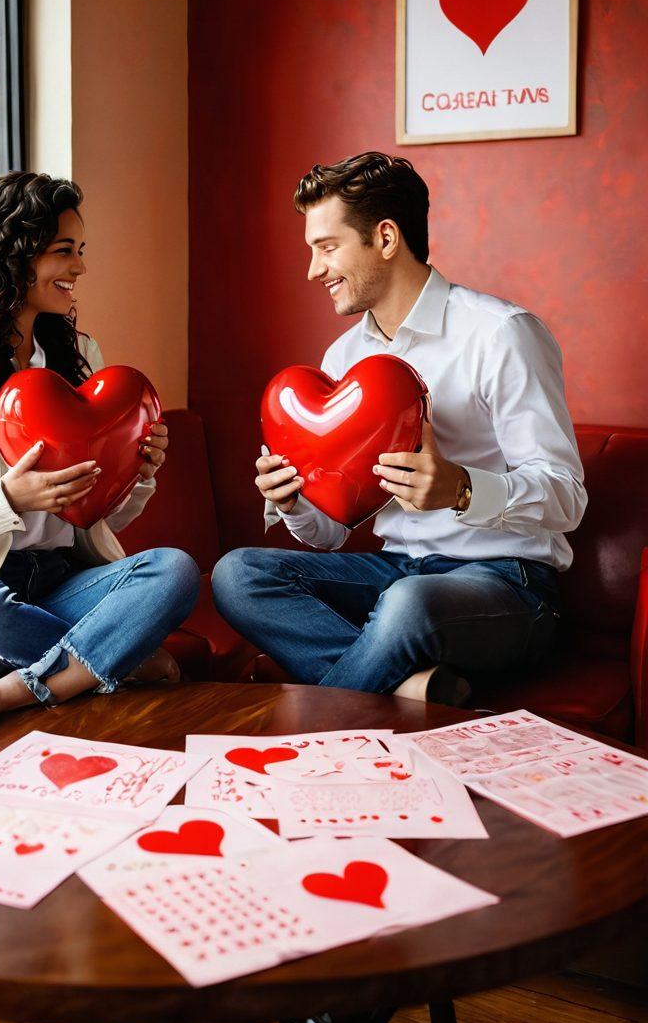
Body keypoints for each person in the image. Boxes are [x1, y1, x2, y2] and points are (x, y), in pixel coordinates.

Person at [213, 152, 586, 706]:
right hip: (395, 572)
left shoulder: (501, 334)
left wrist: (461, 488)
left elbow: (567, 497)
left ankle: (316, 744)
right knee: (236, 575)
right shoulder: (342, 358)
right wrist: (294, 502)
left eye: (327, 247)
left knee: (408, 603)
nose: (314, 270)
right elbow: (333, 532)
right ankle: (410, 684)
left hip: (507, 583)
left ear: (385, 238)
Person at [0, 171, 200, 727]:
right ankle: (114, 658)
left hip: (59, 585)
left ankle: (19, 690)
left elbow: (100, 516)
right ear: (12, 255)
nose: (79, 267)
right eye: (63, 251)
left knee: (173, 570)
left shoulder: (79, 355)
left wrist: (138, 472)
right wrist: (7, 498)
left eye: (80, 250)